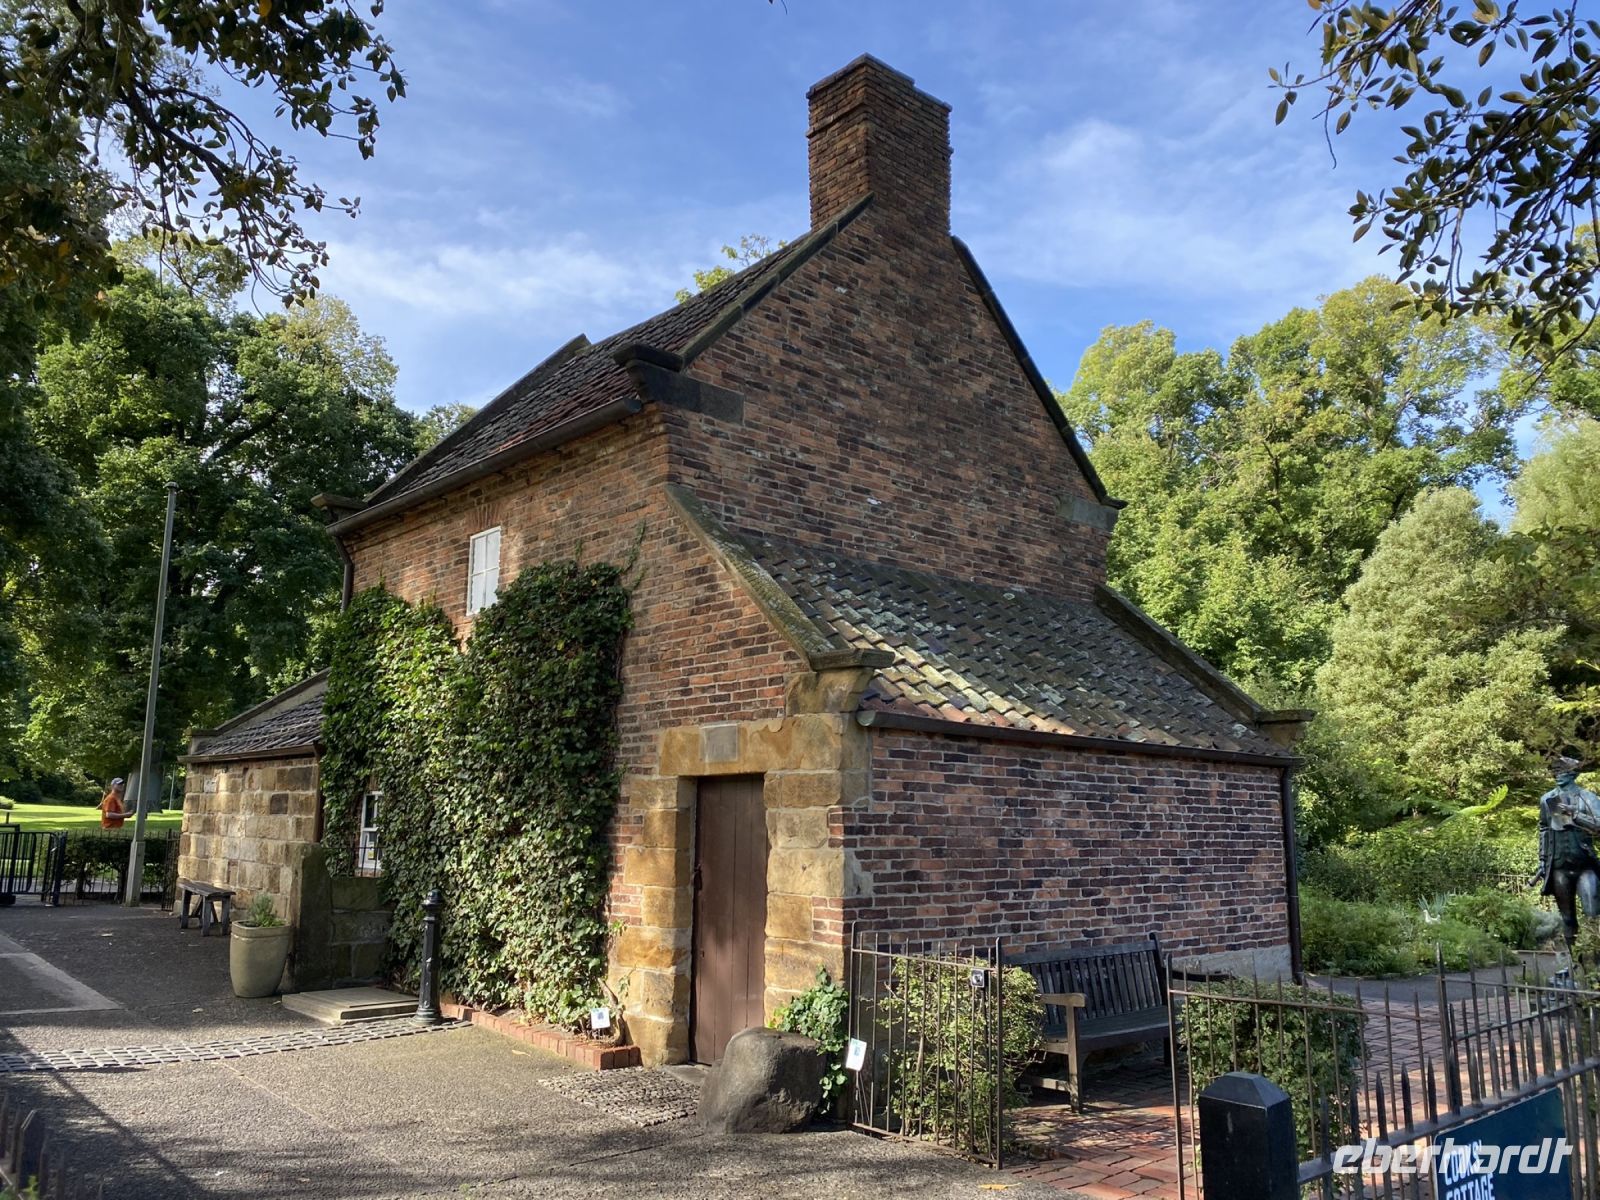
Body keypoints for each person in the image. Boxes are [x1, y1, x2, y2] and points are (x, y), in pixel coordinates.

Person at [1535, 757, 1600, 946]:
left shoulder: (1587, 797)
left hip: (1584, 865)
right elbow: (1544, 828)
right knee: (1568, 919)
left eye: (1561, 771)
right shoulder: (1548, 799)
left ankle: (1594, 958)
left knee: (1592, 914)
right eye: (1554, 771)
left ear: (1573, 773)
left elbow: (1598, 825)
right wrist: (1542, 859)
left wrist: (1575, 814)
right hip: (1559, 866)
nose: (1556, 775)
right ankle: (1575, 961)